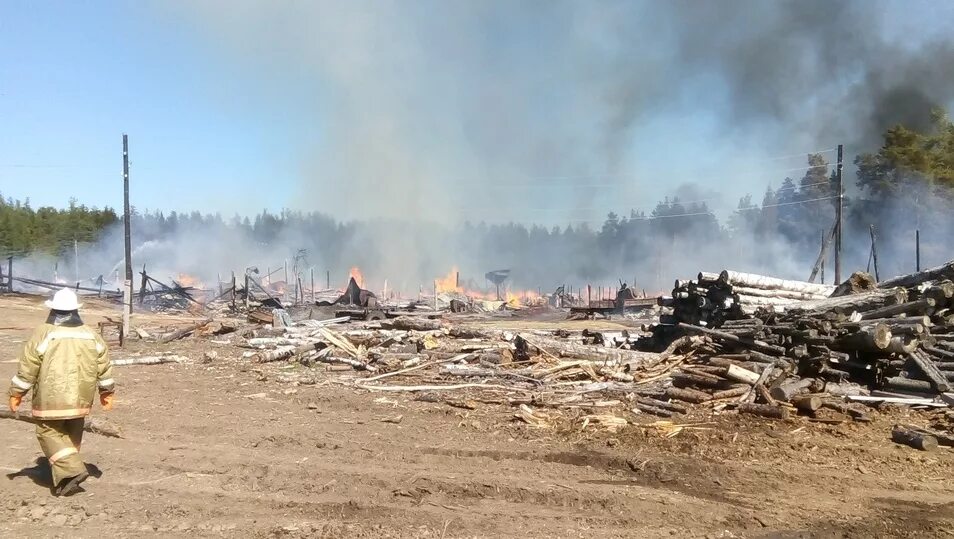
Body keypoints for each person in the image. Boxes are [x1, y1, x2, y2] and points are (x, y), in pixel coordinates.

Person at [8, 288, 115, 496]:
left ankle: (72, 471)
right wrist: (106, 391)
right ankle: (64, 478)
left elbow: (28, 367)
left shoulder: (44, 333)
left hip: (51, 397)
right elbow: (104, 364)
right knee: (71, 433)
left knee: (48, 431)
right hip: (82, 397)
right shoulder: (90, 334)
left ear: (53, 309)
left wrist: (17, 393)